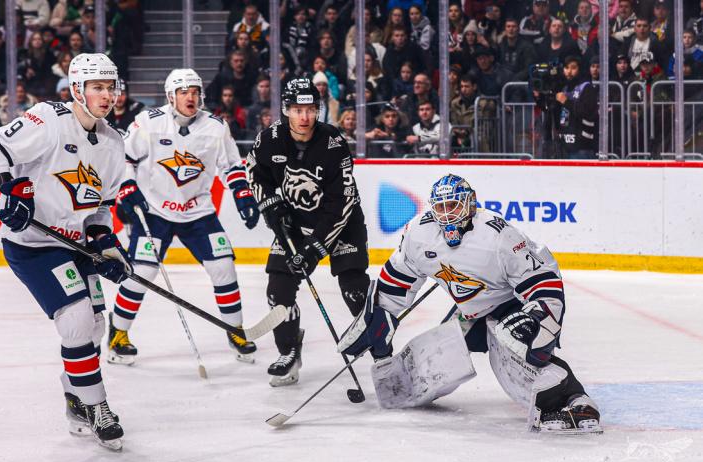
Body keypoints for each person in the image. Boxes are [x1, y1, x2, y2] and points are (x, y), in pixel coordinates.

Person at [338, 174, 602, 434]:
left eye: (453, 205)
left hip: (510, 307)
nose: (447, 215)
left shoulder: (499, 236)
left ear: (470, 203)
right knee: (437, 357)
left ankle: (576, 402)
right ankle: (403, 388)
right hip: (471, 311)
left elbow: (543, 279)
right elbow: (397, 279)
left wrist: (539, 318)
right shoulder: (418, 233)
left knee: (513, 363)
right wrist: (381, 315)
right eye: (440, 207)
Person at [0, 53, 128, 450]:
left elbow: (101, 208)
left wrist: (106, 245)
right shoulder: (48, 119)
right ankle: (97, 406)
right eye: (97, 87)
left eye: (110, 87)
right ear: (77, 89)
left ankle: (76, 400)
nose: (106, 95)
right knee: (76, 321)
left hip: (75, 246)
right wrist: (9, 186)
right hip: (34, 246)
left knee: (95, 326)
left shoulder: (113, 141)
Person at [108, 68, 260, 365]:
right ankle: (118, 334)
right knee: (142, 273)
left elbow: (231, 166)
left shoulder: (216, 127)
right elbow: (124, 156)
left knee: (224, 268)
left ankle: (236, 331)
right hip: (154, 211)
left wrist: (242, 194)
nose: (190, 97)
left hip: (198, 212)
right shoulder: (149, 122)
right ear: (170, 96)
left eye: (194, 92)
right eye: (183, 92)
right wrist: (127, 185)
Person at [247, 78, 370, 386]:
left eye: (311, 110)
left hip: (342, 225)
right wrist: (271, 206)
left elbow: (341, 203)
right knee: (278, 290)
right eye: (298, 110)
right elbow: (254, 173)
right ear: (286, 110)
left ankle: (383, 351)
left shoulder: (333, 142)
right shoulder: (270, 139)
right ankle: (289, 351)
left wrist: (314, 248)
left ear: (318, 110)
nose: (304, 117)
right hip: (296, 222)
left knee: (355, 290)